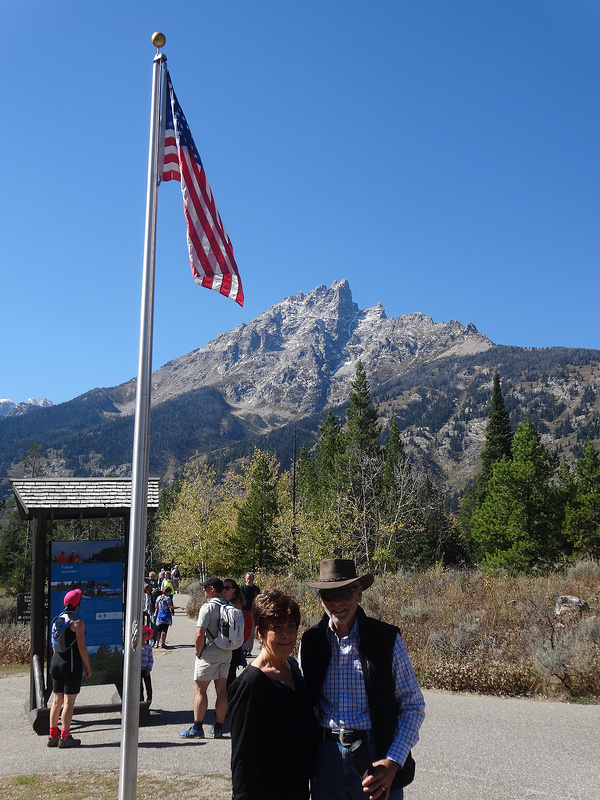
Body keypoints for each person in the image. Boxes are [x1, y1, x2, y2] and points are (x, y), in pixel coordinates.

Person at [300, 559, 425, 800]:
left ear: (359, 593)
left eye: (344, 593)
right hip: (326, 759)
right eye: (328, 595)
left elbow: (413, 705)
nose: (336, 603)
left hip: (375, 755)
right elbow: (302, 702)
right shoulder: (312, 641)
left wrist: (393, 761)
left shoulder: (386, 639)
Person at [228, 588, 317, 800]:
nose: (286, 634)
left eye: (291, 626)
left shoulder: (293, 668)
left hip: (296, 788)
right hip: (265, 791)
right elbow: (241, 756)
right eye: (276, 627)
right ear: (260, 632)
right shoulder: (251, 684)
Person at [179, 576, 233, 740]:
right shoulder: (229, 605)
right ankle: (218, 728)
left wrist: (198, 652)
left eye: (206, 587)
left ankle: (197, 728)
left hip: (209, 652)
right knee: (221, 690)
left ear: (212, 589)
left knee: (200, 689)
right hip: (226, 651)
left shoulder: (207, 608)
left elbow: (199, 633)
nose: (203, 589)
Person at [48, 588, 93, 749]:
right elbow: (81, 646)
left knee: (56, 701)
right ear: (78, 604)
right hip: (71, 663)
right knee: (69, 702)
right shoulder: (77, 622)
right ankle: (65, 737)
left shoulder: (56, 620)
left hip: (56, 661)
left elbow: (55, 645)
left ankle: (53, 735)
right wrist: (88, 666)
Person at [222, 578, 252, 690]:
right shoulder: (224, 602)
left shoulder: (236, 605)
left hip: (232, 645)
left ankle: (230, 704)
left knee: (229, 678)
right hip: (226, 644)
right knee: (226, 677)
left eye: (227, 588)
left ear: (234, 590)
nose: (224, 590)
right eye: (222, 587)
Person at [240, 572, 261, 655]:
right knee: (243, 630)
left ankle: (249, 650)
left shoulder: (256, 589)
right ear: (245, 579)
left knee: (251, 631)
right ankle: (243, 649)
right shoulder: (242, 588)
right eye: (247, 578)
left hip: (253, 612)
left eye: (250, 578)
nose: (249, 580)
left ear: (253, 579)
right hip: (243, 612)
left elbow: (259, 600)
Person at [140, 625, 154, 704]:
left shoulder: (148, 647)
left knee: (148, 685)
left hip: (146, 669)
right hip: (138, 669)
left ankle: (149, 698)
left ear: (147, 636)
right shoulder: (136, 647)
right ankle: (141, 701)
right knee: (140, 687)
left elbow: (150, 659)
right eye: (142, 634)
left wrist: (149, 668)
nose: (143, 636)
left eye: (145, 634)